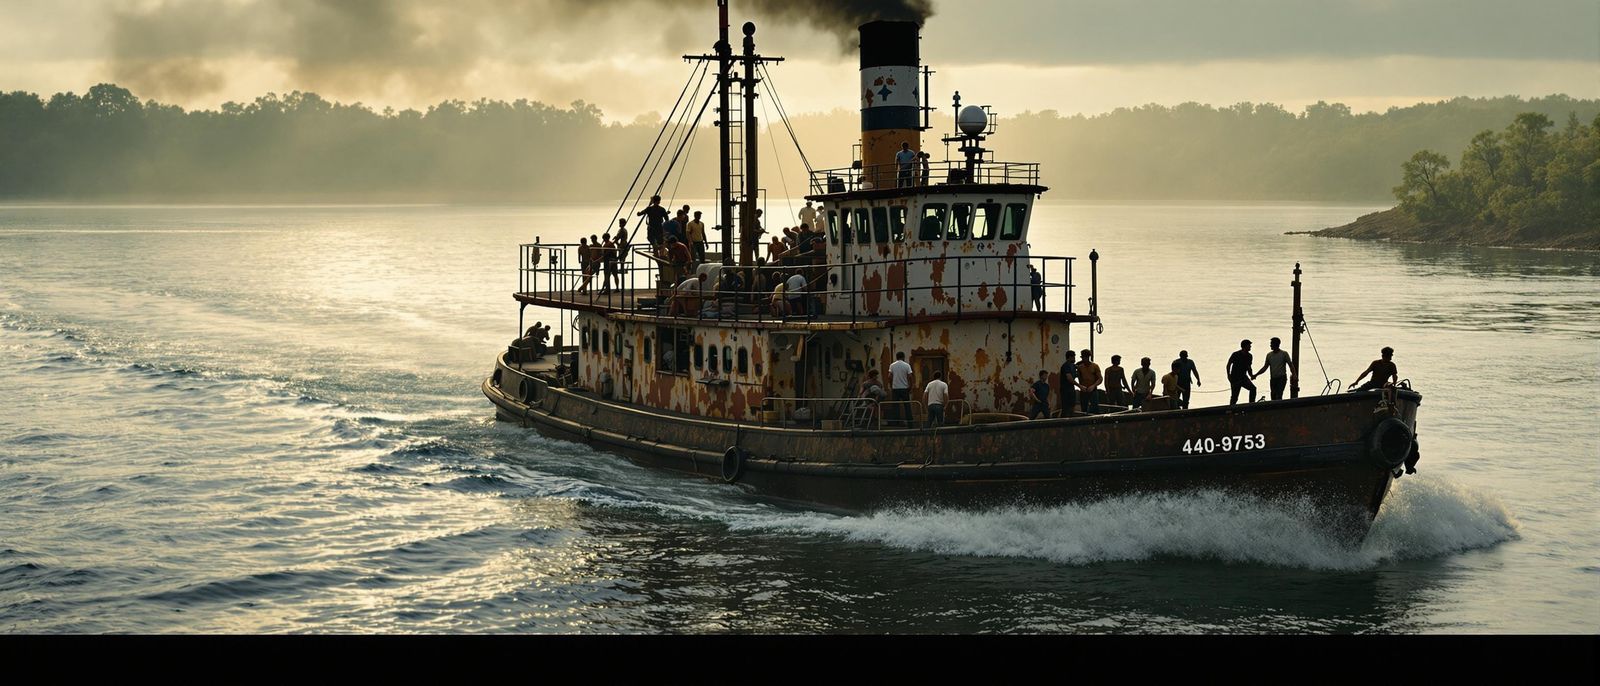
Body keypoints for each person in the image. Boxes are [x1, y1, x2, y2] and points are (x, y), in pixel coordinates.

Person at [1226, 339, 1257, 405]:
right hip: (1235, 378)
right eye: (1249, 345)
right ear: (1245, 346)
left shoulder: (1249, 356)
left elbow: (1249, 367)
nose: (1250, 347)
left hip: (1243, 377)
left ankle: (1251, 405)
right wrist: (1229, 375)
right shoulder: (1235, 354)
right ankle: (1231, 410)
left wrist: (1251, 375)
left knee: (1253, 389)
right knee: (1234, 396)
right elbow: (1228, 364)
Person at [889, 352, 913, 427]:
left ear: (896, 357)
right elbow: (910, 377)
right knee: (907, 406)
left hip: (895, 388)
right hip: (904, 389)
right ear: (903, 357)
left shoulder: (892, 365)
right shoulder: (907, 365)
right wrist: (910, 386)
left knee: (895, 406)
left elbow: (889, 376)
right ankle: (910, 423)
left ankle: (896, 423)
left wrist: (891, 385)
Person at [1076, 349, 1103, 414]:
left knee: (1095, 407)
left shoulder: (1095, 366)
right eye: (1082, 357)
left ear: (1088, 357)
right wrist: (1081, 387)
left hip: (1093, 390)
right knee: (1084, 408)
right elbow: (1079, 378)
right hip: (1084, 390)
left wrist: (1093, 386)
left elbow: (1100, 378)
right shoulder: (1080, 367)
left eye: (1085, 357)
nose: (1083, 359)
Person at [1058, 350, 1078, 417]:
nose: (1074, 359)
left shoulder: (1073, 366)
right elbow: (1069, 378)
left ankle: (1071, 419)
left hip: (1071, 389)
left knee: (1072, 405)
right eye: (1074, 357)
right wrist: (1080, 386)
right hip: (1065, 390)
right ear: (1070, 357)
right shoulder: (1066, 366)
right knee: (1066, 407)